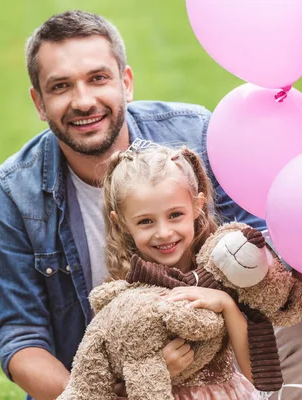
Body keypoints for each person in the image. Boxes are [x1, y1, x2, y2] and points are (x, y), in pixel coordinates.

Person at [0, 10, 302, 400]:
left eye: (98, 78)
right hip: (103, 379)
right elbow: (23, 342)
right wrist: (113, 393)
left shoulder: (195, 134)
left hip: (215, 347)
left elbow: (259, 244)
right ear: (39, 102)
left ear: (126, 82)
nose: (83, 101)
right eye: (61, 87)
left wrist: (301, 282)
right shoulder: (14, 190)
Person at [102, 142, 260, 399]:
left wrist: (226, 304)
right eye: (146, 221)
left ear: (197, 206)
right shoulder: (123, 294)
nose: (163, 232)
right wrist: (154, 370)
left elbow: (256, 373)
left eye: (175, 215)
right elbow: (106, 384)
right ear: (120, 223)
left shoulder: (220, 272)